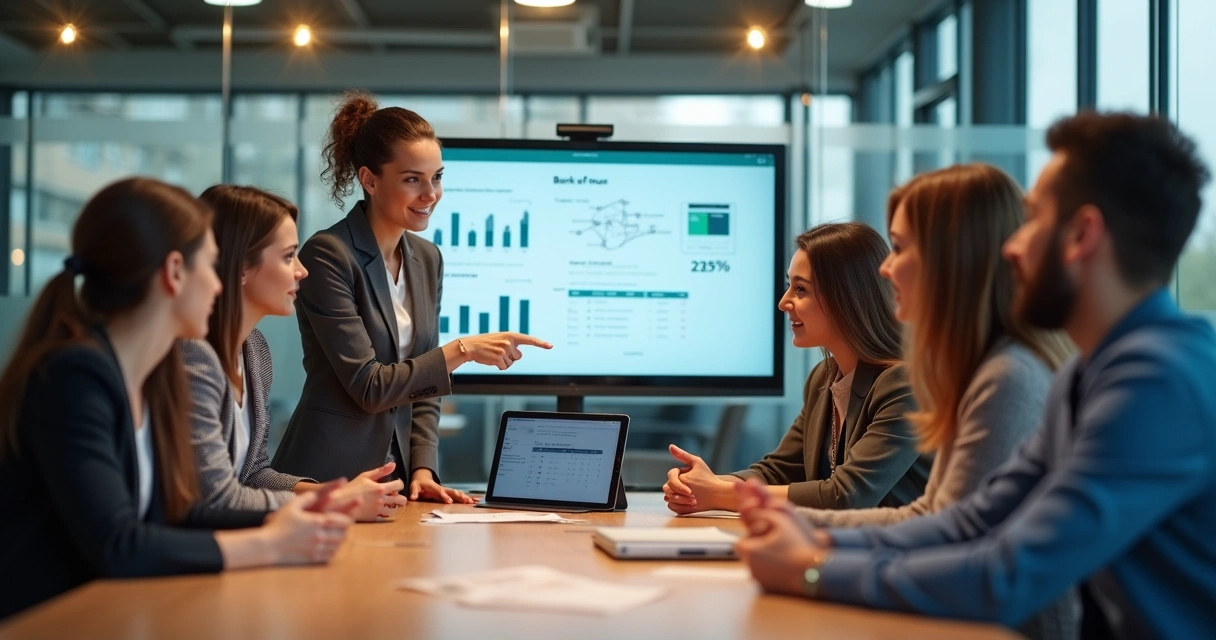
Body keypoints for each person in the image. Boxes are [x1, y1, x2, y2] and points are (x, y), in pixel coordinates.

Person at [734, 112, 1216, 640]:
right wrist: (807, 534)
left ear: (1081, 235)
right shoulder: (1089, 372)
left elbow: (1008, 573)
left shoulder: (1157, 383)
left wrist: (812, 569)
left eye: (1032, 220)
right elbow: (968, 521)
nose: (1010, 247)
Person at [0, 178, 356, 621]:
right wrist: (271, 542)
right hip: (52, 620)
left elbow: (172, 517)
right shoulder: (73, 377)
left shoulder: (149, 375)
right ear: (173, 273)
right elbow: (119, 544)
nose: (218, 282)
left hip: (122, 610)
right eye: (211, 265)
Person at [796, 164, 1077, 640]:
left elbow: (956, 530)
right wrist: (801, 527)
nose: (884, 269)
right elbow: (935, 515)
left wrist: (812, 560)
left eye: (900, 248)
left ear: (953, 261)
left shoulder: (1008, 376)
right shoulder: (978, 370)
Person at [272, 91, 551, 498]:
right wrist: (464, 350)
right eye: (412, 180)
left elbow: (426, 381)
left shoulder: (426, 258)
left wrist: (423, 468)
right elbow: (369, 386)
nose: (430, 194)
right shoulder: (329, 254)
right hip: (327, 477)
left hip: (398, 481)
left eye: (436, 177)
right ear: (369, 180)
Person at [663, 222, 932, 513]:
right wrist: (699, 485)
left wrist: (718, 494)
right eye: (789, 285)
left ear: (848, 297)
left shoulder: (906, 385)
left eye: (800, 289)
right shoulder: (823, 377)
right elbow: (777, 472)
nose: (783, 302)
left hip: (901, 554)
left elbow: (848, 496)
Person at [182, 185, 409, 520]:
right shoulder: (194, 356)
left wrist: (337, 493)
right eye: (288, 256)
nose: (301, 270)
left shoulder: (254, 350)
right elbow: (214, 497)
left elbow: (254, 474)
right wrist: (331, 503)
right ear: (241, 265)